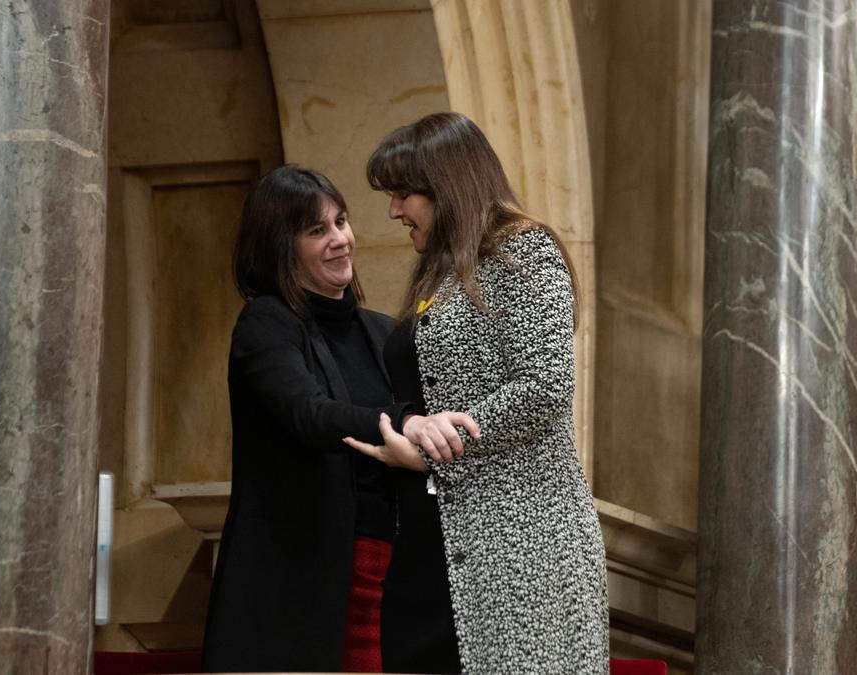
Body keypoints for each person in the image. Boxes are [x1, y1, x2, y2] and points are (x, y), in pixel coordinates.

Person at [345, 112, 611, 673]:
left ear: (446, 186)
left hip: (521, 547)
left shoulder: (525, 250)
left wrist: (429, 448)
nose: (393, 211)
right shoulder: (438, 271)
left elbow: (545, 386)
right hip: (435, 538)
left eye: (402, 194)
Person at [200, 165, 477, 673]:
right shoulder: (266, 324)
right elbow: (310, 414)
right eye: (316, 230)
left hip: (394, 576)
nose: (339, 240)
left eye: (341, 222)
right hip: (305, 583)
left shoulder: (387, 332)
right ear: (280, 247)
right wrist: (403, 423)